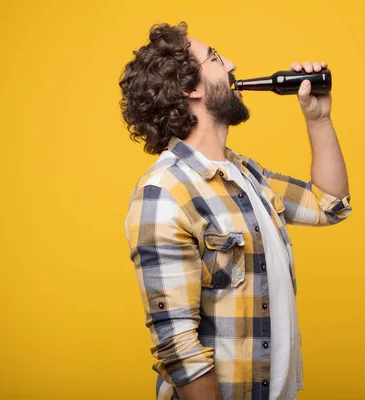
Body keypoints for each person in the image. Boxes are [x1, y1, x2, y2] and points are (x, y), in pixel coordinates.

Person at [120, 22, 352, 400]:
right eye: (214, 57)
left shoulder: (247, 175)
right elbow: (178, 348)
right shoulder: (164, 193)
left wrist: (318, 119)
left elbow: (331, 204)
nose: (231, 64)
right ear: (189, 88)